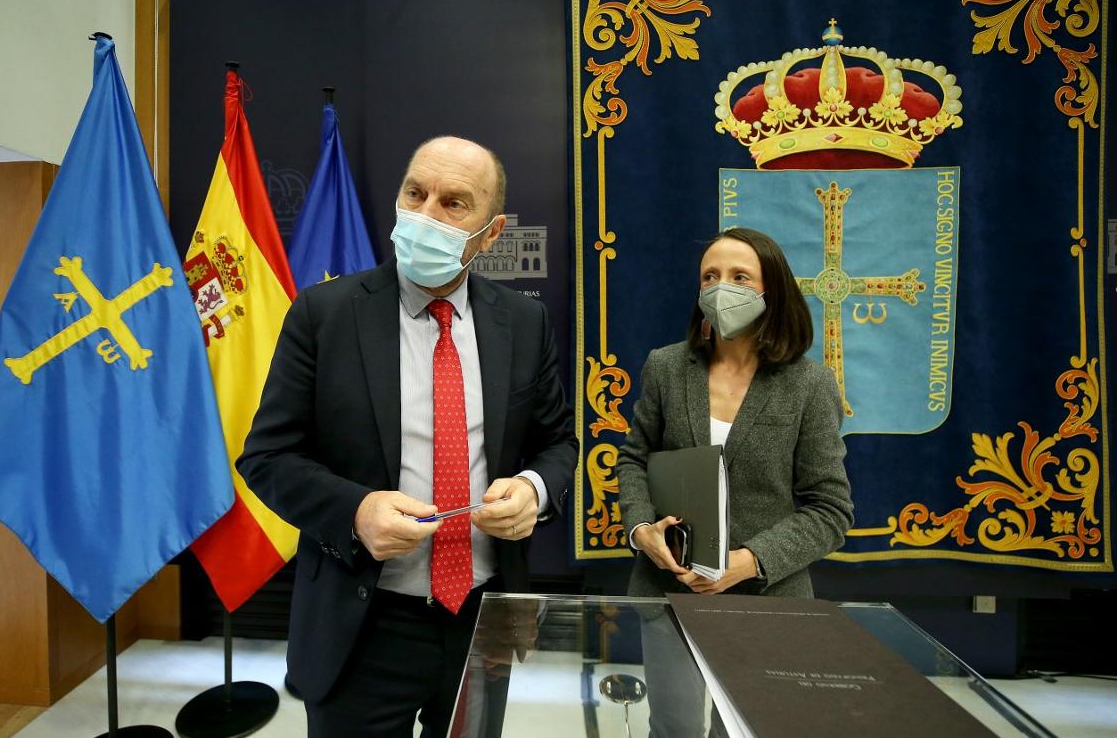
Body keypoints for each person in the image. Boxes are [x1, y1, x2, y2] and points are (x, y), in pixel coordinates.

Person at [237, 135, 578, 737]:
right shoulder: (325, 314)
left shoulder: (524, 322)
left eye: (453, 204)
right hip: (361, 623)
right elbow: (267, 457)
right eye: (415, 194)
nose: (425, 216)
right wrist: (356, 510)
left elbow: (558, 443)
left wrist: (533, 489)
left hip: (482, 619)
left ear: (491, 234)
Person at [617, 226, 853, 599]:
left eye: (739, 277)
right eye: (710, 276)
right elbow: (634, 458)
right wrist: (642, 528)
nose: (720, 287)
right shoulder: (665, 366)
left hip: (768, 604)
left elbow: (830, 510)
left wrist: (750, 561)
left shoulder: (809, 383)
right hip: (664, 595)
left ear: (771, 291)